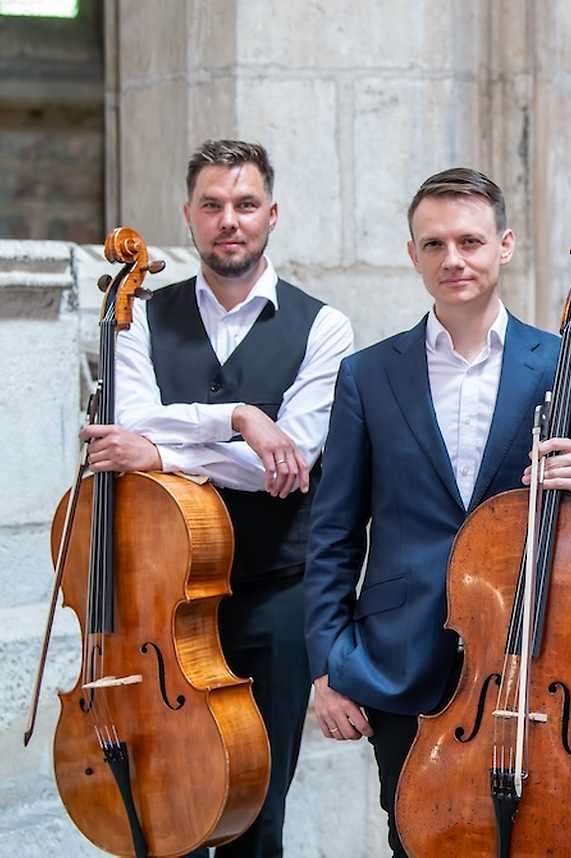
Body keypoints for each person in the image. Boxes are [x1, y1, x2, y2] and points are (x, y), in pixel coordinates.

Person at [303, 167, 571, 857]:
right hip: (400, 661)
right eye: (434, 244)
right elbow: (333, 535)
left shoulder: (562, 364)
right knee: (419, 842)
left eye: (469, 241)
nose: (453, 259)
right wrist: (327, 666)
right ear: (412, 255)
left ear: (504, 245)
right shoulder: (367, 375)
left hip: (532, 656)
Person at [82, 139, 354, 857]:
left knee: (257, 813)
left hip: (274, 595)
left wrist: (161, 454)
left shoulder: (324, 327)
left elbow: (287, 467)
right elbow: (128, 421)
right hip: (157, 604)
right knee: (161, 808)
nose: (228, 220)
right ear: (189, 215)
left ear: (272, 214)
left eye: (244, 204)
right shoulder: (138, 316)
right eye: (212, 205)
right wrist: (239, 419)